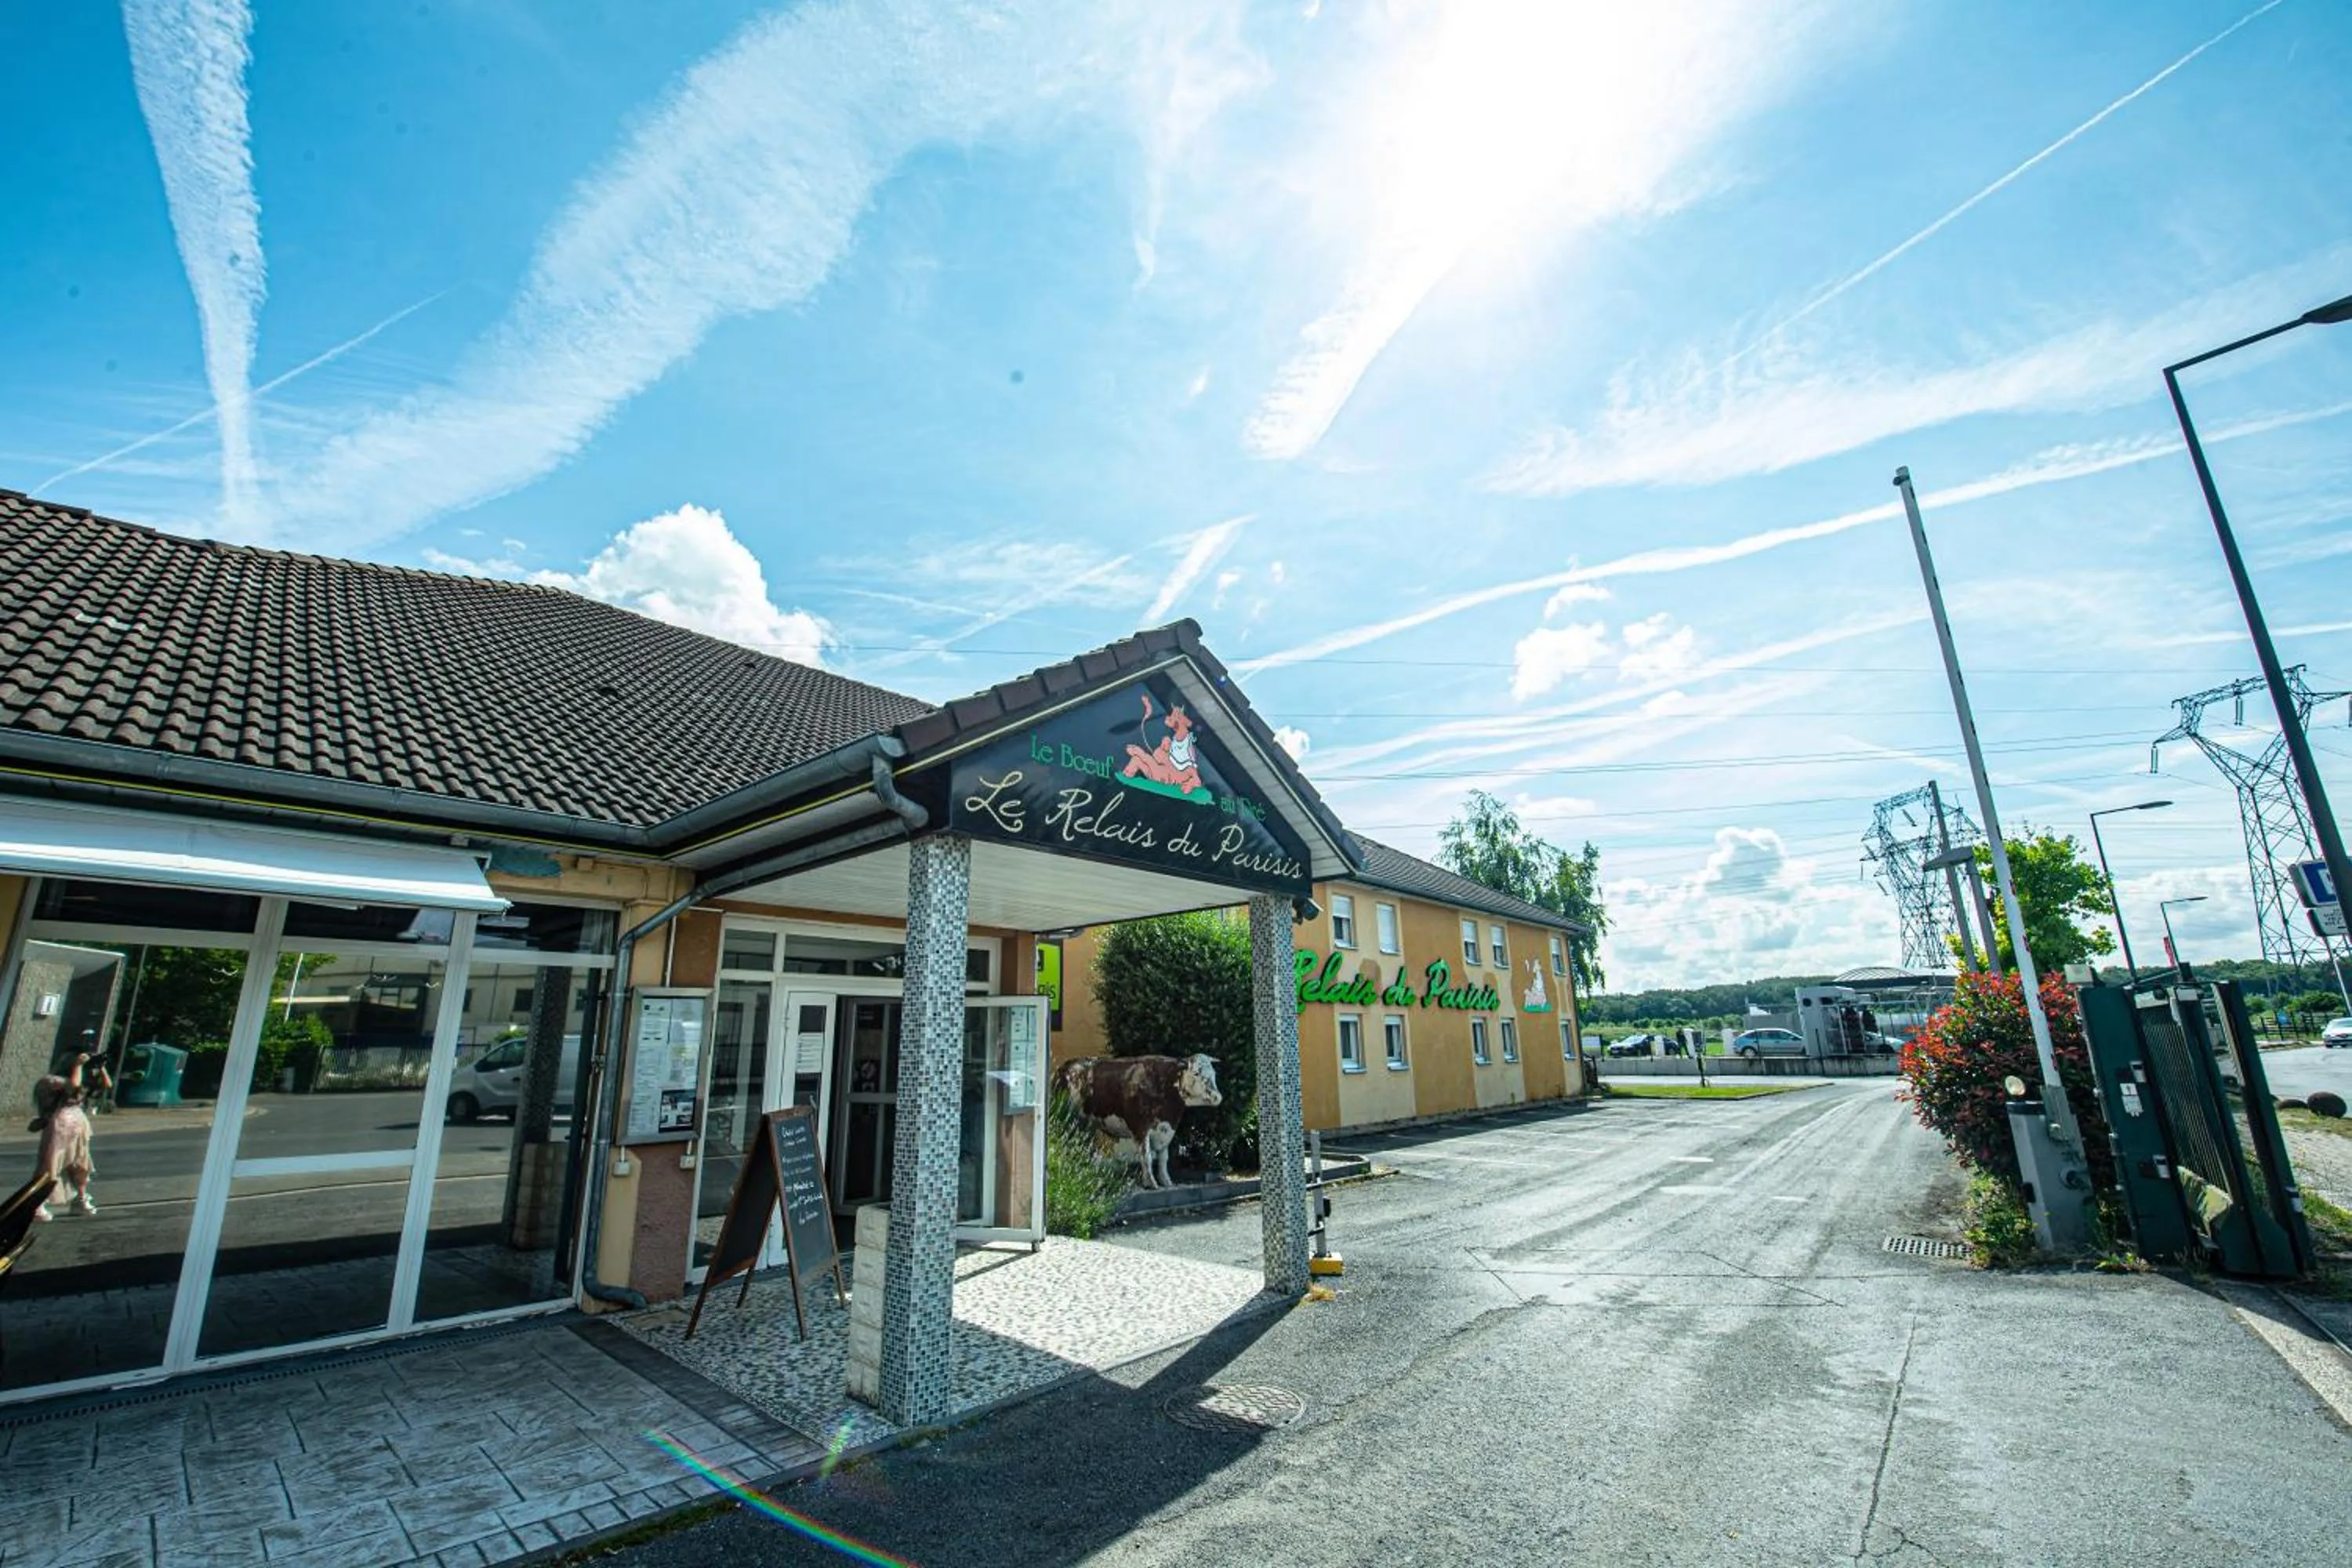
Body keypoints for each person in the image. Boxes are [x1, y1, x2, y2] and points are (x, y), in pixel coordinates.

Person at [28, 1051, 110, 1222]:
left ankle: (80, 1198)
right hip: (60, 1124)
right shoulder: (51, 1080)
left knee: (81, 1163)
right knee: (51, 1165)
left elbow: (107, 1085)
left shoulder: (81, 1078)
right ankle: (37, 1204)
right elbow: (73, 1086)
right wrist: (78, 1065)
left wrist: (101, 1068)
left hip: (78, 1123)